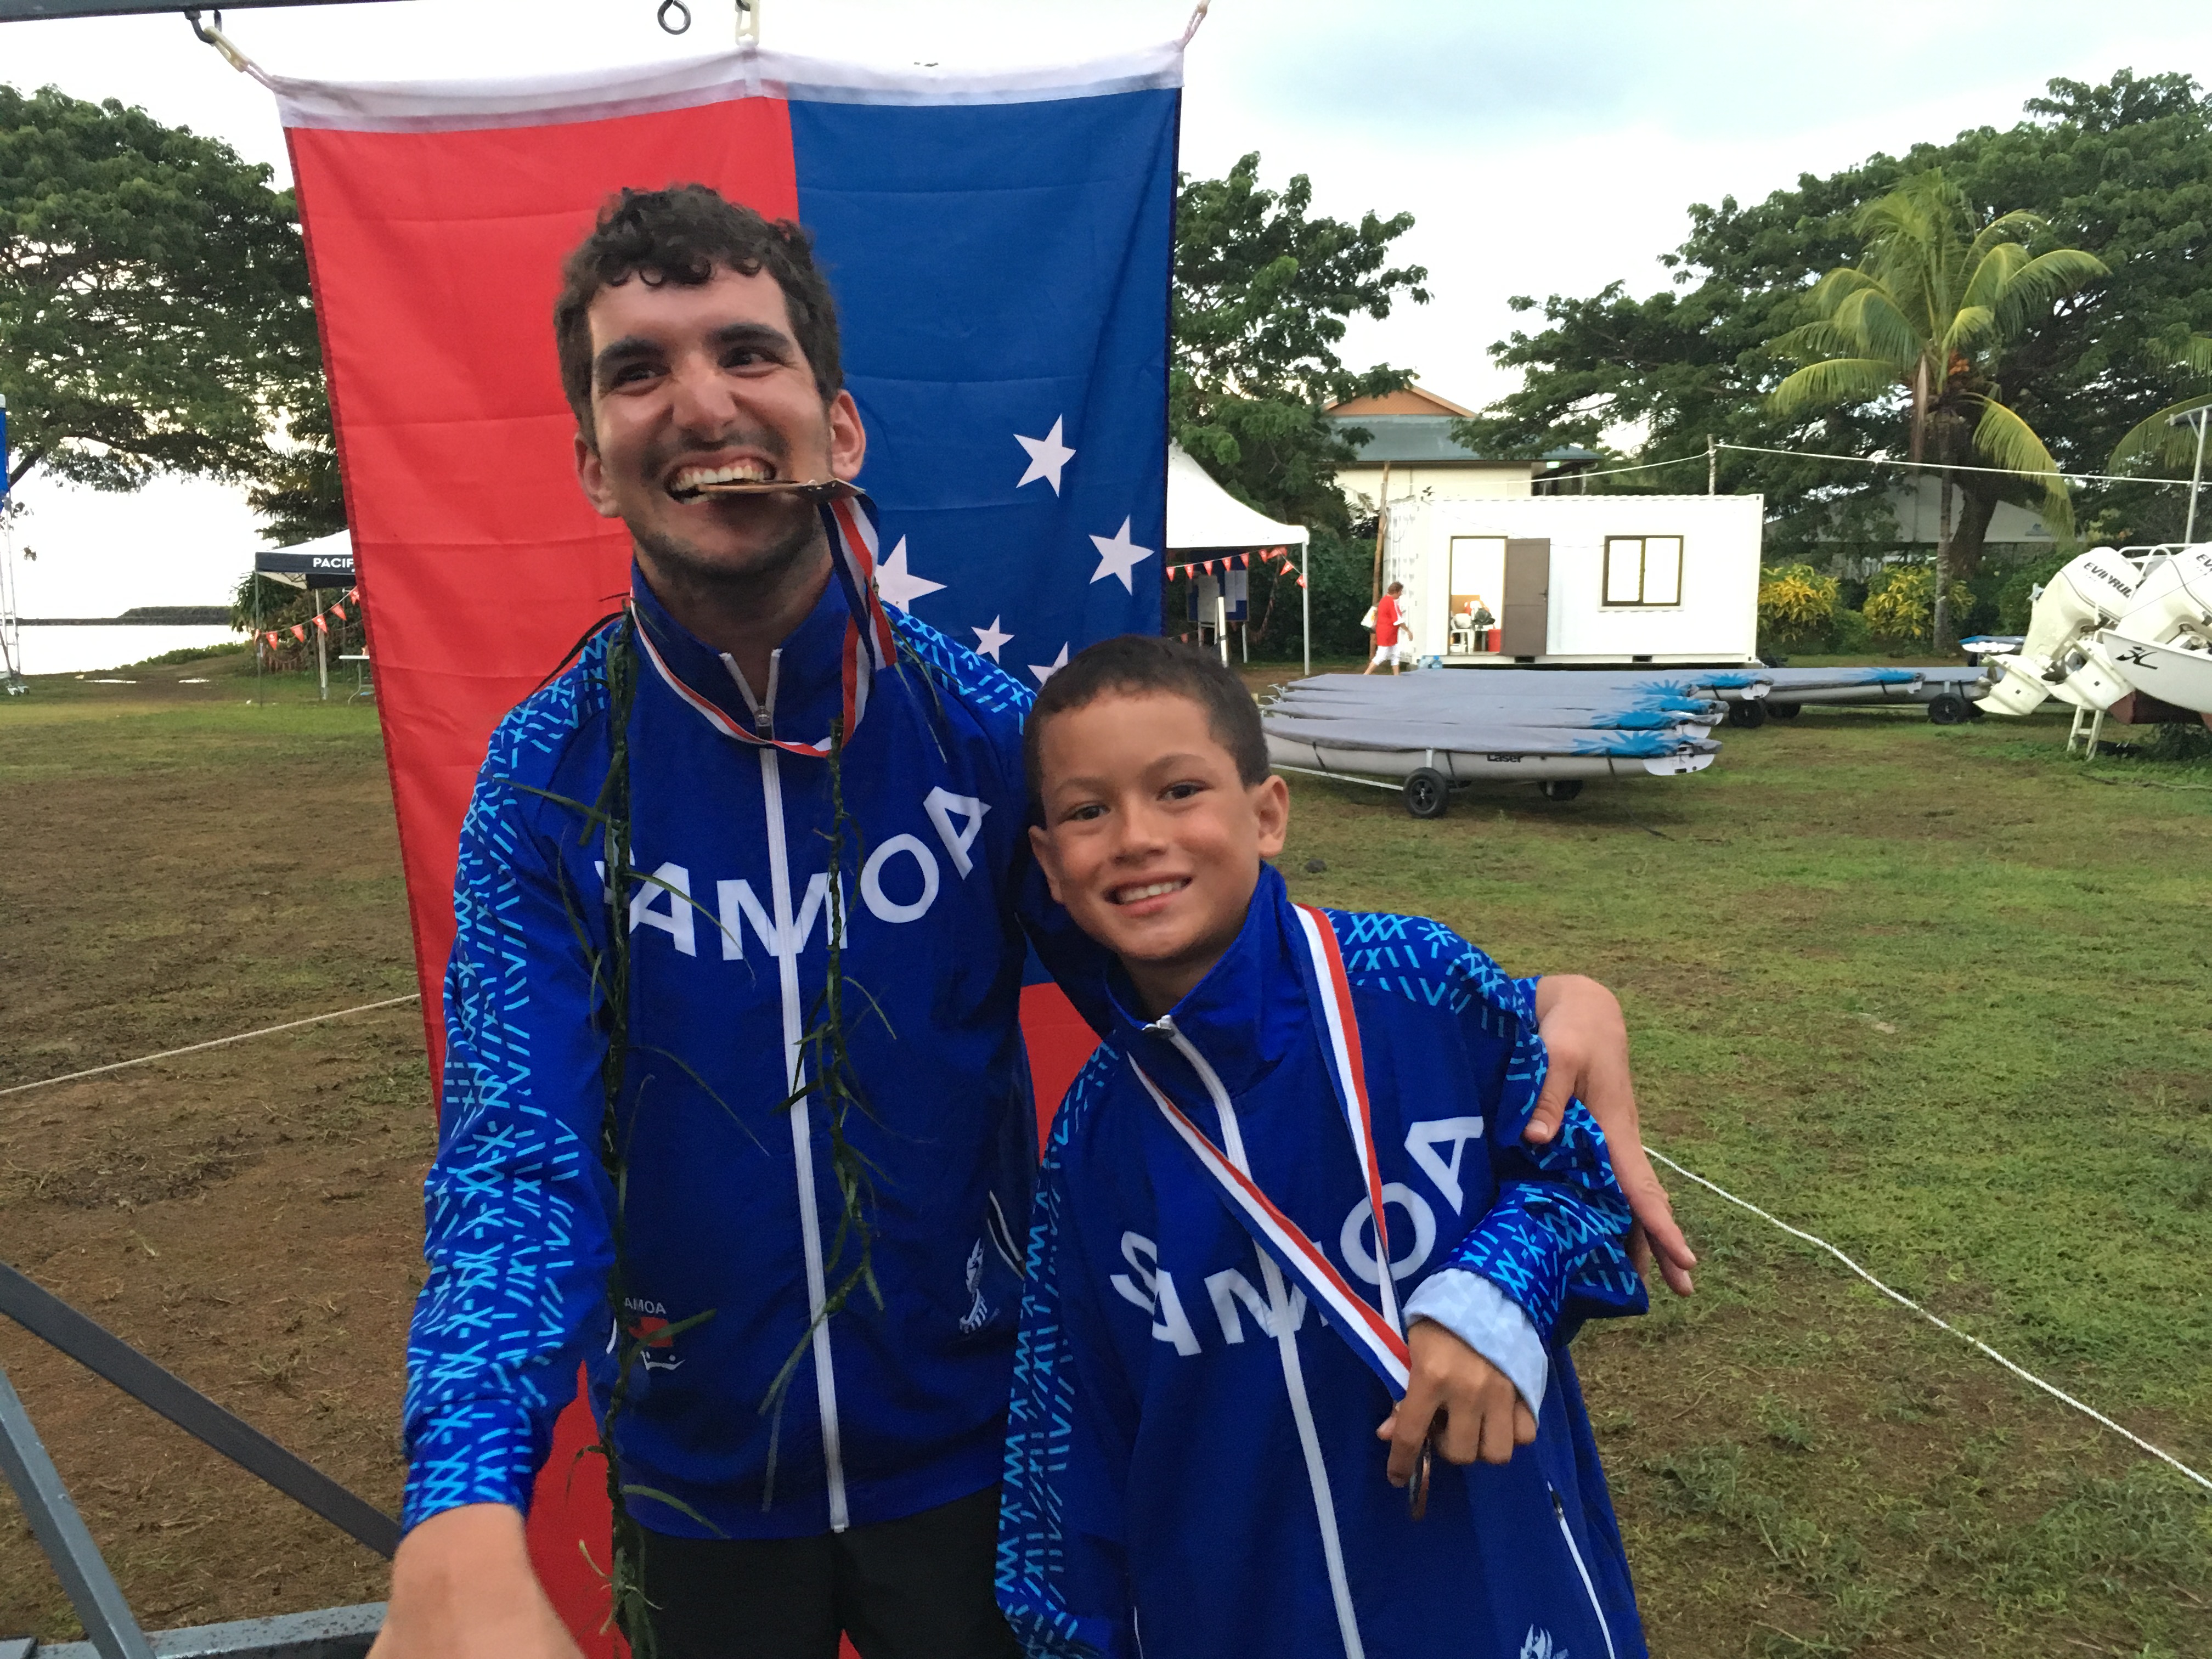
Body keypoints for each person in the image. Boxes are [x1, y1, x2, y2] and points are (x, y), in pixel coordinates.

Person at [370, 184, 1690, 1659]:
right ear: (591, 464)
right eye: (638, 371)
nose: (698, 404)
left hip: (975, 1454)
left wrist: (1527, 1011)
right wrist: (462, 1495)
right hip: (699, 1483)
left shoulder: (984, 735)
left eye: (747, 354)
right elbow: (516, 1153)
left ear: (841, 428)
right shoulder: (544, 784)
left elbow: (1235, 1008)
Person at [1000, 634, 1649, 1658]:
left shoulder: (1420, 981)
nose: (1133, 837)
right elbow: (1067, 1444)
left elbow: (1584, 1181)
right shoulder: (1090, 1135)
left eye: (1178, 789)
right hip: (1236, 1614)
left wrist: (1494, 1291)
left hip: (1491, 1602)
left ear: (1266, 813)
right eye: (1087, 810)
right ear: (1048, 861)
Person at [1365, 579, 1410, 674]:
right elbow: (1398, 620)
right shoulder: (1391, 602)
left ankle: (1396, 676)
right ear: (1395, 592)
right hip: (1387, 633)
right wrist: (1408, 631)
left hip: (1387, 632)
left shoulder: (1384, 600)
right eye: (1400, 592)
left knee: (1395, 654)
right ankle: (1366, 674)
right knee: (1381, 656)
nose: (1401, 594)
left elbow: (1378, 612)